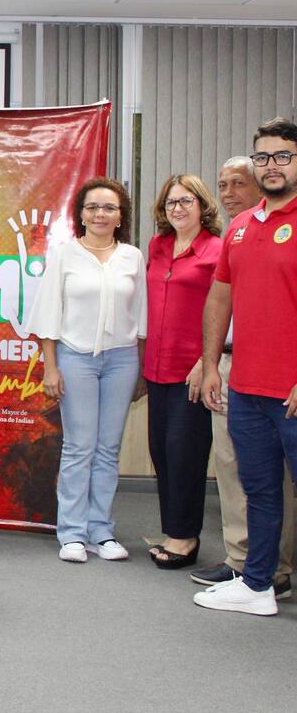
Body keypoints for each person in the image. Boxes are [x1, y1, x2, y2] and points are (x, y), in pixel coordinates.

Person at [196, 118, 297, 616]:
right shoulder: (241, 225)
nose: (271, 165)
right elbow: (220, 297)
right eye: (263, 157)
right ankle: (257, 585)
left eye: (282, 156)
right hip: (249, 387)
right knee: (258, 491)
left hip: (294, 388)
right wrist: (211, 365)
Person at [27, 177, 146, 564]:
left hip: (122, 360)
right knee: (79, 447)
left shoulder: (132, 256)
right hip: (75, 358)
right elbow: (48, 313)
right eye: (92, 207)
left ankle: (102, 531)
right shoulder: (65, 254)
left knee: (108, 449)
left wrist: (140, 368)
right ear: (80, 214)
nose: (100, 214)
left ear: (120, 215)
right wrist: (51, 366)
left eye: (108, 207)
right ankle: (73, 533)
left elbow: (140, 316)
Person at [142, 175, 221, 569]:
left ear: (202, 205)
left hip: (192, 370)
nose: (177, 208)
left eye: (185, 201)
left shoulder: (217, 250)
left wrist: (206, 362)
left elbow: (228, 310)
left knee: (185, 454)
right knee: (162, 453)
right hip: (156, 369)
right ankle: (173, 529)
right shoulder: (158, 247)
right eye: (171, 202)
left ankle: (185, 538)